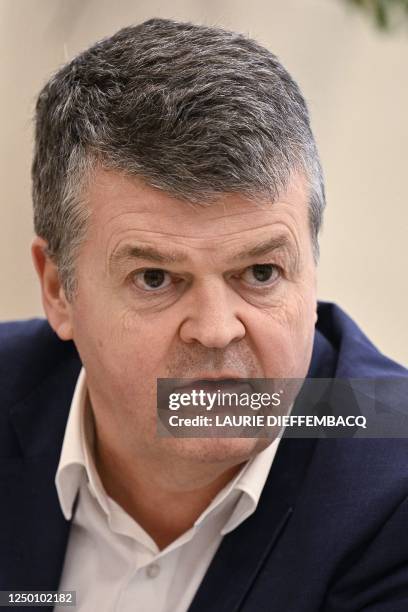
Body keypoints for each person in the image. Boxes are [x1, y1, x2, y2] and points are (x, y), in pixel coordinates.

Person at [1, 17, 407, 612]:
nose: (217, 331)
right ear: (60, 290)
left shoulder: (393, 478)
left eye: (261, 273)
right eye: (156, 279)